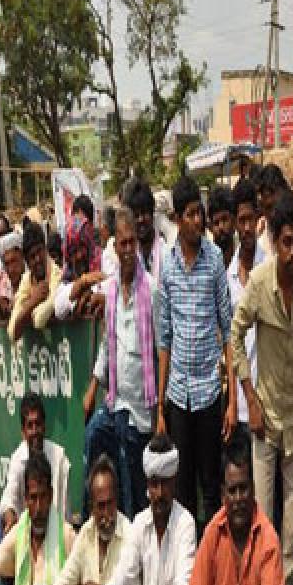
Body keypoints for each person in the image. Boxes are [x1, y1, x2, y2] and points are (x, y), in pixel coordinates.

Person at [230, 189, 293, 584]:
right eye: (285, 242)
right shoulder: (258, 283)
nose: (291, 251)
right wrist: (248, 398)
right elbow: (234, 336)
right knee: (263, 520)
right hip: (264, 417)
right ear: (274, 242)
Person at [156, 175, 236, 528]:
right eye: (190, 214)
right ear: (176, 219)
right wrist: (160, 407)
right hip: (178, 396)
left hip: (207, 393)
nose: (198, 221)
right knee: (182, 487)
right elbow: (164, 340)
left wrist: (231, 399)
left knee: (210, 485)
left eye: (199, 213)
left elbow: (229, 332)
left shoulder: (215, 259)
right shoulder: (167, 267)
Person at [81, 209, 159, 520]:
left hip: (141, 408)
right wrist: (92, 387)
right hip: (116, 402)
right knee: (92, 436)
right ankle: (93, 520)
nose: (127, 250)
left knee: (131, 480)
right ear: (115, 246)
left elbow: (161, 347)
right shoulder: (111, 289)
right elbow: (107, 344)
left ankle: (131, 539)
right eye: (122, 243)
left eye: (132, 243)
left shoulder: (150, 289)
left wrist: (160, 409)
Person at [0, 451, 76, 585]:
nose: (39, 507)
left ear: (51, 495)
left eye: (43, 497)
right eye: (33, 498)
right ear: (26, 499)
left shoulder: (66, 536)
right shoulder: (19, 535)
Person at [106, 435, 196, 585]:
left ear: (174, 482)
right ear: (147, 484)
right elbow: (122, 577)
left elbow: (183, 582)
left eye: (165, 483)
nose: (160, 493)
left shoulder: (185, 523)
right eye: (154, 483)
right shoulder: (139, 523)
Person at [189, 443, 282, 585]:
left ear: (253, 489)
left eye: (243, 488)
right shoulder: (212, 534)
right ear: (222, 495)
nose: (238, 498)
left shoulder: (268, 540)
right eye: (232, 490)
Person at [226, 178, 266, 456]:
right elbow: (230, 344)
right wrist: (231, 403)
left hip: (268, 401)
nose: (247, 227)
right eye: (241, 221)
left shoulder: (271, 268)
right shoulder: (227, 276)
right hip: (239, 403)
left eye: (251, 219)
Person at [54, 455, 132, 585]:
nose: (106, 514)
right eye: (101, 506)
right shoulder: (86, 532)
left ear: (117, 500)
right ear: (91, 507)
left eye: (110, 503)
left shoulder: (129, 536)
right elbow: (63, 582)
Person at [0, 394, 70, 532]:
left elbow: (64, 511)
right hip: (25, 536)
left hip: (55, 535)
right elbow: (8, 497)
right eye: (29, 426)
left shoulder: (59, 458)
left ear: (44, 426)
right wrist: (10, 517)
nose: (35, 431)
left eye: (38, 424)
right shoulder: (18, 460)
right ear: (23, 432)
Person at [7, 221, 60, 342]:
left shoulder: (56, 274)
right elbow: (12, 331)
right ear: (26, 260)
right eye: (32, 256)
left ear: (45, 249)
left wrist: (26, 311)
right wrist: (33, 302)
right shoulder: (26, 279)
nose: (37, 260)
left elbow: (39, 320)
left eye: (39, 251)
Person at [53, 214, 106, 320]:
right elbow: (59, 309)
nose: (79, 255)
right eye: (74, 251)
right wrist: (82, 282)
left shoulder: (105, 262)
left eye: (82, 246)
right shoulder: (67, 278)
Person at [205, 187, 236, 269]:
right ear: (210, 227)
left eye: (225, 219)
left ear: (233, 221)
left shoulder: (243, 256)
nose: (221, 227)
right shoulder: (205, 262)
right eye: (216, 223)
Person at [0, 232, 25, 311]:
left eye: (14, 261)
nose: (11, 269)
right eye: (7, 264)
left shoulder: (34, 282)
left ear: (22, 257)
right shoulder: (3, 288)